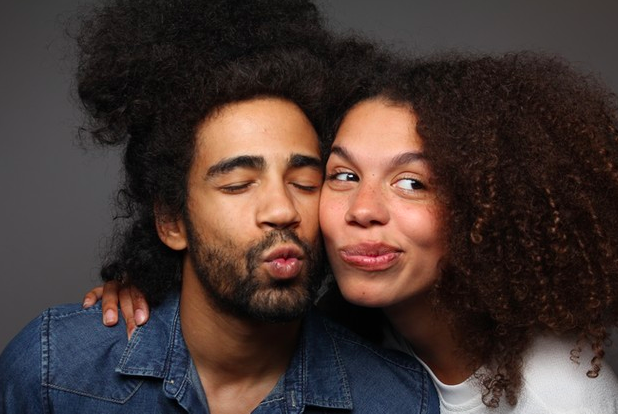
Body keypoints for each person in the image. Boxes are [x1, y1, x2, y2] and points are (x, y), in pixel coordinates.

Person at [97, 51, 618, 412]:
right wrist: (154, 287)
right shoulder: (342, 329)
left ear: (485, 209)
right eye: (343, 175)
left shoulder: (560, 396)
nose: (362, 210)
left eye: (412, 182)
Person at [0, 1, 441, 413]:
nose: (282, 210)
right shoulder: (53, 372)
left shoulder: (400, 399)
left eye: (304, 182)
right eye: (238, 184)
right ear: (172, 221)